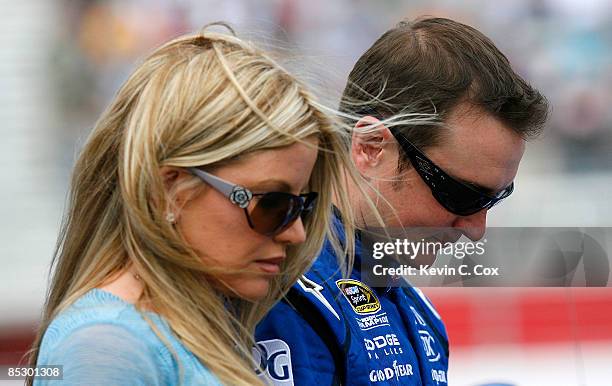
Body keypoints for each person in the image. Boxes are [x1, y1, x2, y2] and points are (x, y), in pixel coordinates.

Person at [25, 25, 365, 386]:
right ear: (170, 190)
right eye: (273, 204)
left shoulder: (171, 334)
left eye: (303, 206)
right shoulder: (107, 347)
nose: (296, 233)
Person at [256, 17, 549, 385]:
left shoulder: (420, 315)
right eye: (460, 194)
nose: (476, 229)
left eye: (495, 198)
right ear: (370, 147)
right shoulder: (286, 297)